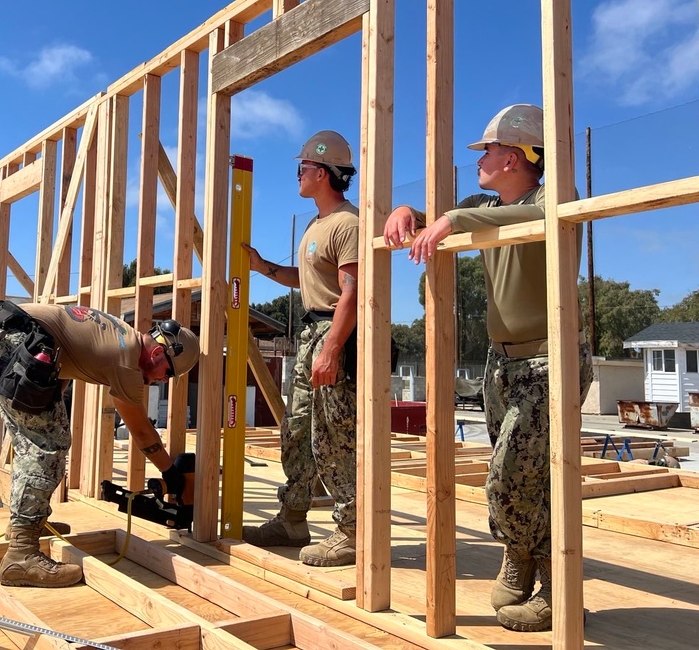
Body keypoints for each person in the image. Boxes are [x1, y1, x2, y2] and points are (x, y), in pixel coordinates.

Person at [383, 104, 593, 632]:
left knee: (513, 477)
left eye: (490, 150)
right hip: (504, 364)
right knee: (523, 476)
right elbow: (449, 222)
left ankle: (551, 586)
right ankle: (525, 565)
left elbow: (526, 220)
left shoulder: (554, 198)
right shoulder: (485, 203)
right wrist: (408, 211)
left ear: (520, 155)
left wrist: (453, 218)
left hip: (552, 357)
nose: (480, 158)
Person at [0, 300, 200, 588]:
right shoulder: (126, 359)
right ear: (157, 353)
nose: (160, 382)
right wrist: (170, 472)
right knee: (48, 446)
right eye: (167, 374)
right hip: (15, 339)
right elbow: (140, 431)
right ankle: (21, 554)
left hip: (4, 333)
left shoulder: (121, 335)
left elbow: (66, 358)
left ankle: (28, 526)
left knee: (34, 442)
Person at [241, 130, 359, 567]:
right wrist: (265, 268)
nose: (299, 173)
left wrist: (332, 349)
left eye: (305, 166)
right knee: (298, 431)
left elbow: (351, 291)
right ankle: (292, 518)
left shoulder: (348, 223)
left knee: (335, 437)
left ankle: (351, 531)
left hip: (335, 335)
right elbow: (310, 280)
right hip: (313, 335)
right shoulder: (315, 225)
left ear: (326, 173)